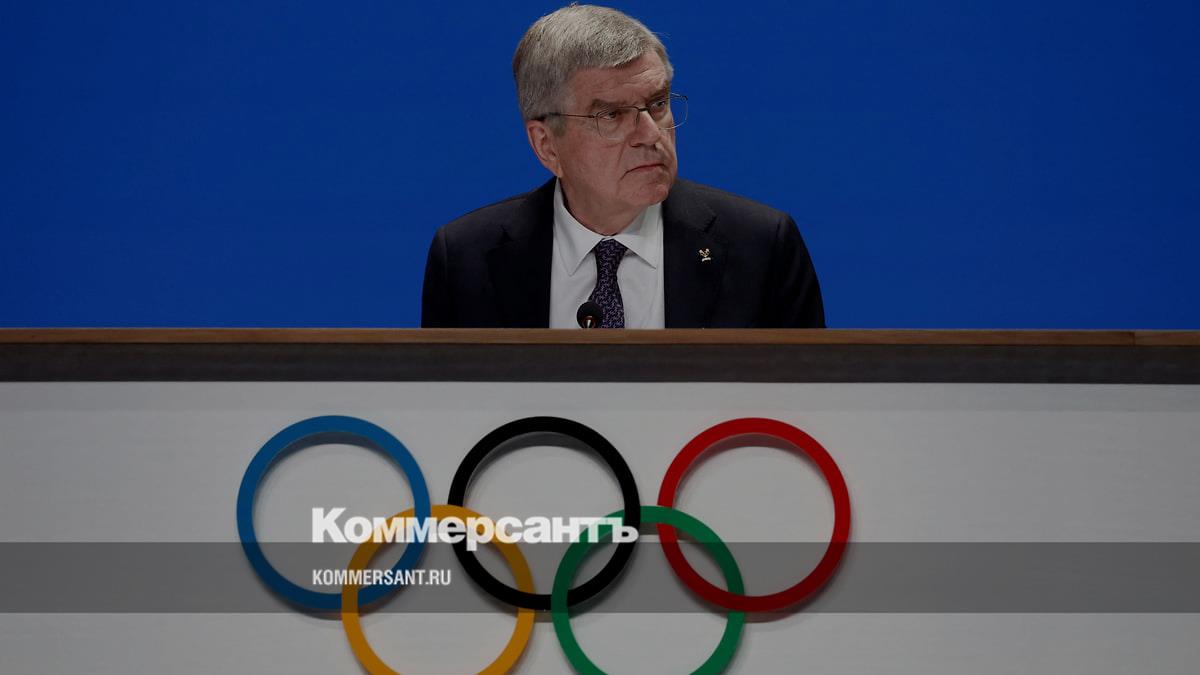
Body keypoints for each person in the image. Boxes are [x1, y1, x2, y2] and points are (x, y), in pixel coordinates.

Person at [421, 4, 824, 328]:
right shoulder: (466, 259)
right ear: (546, 145)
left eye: (657, 104)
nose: (651, 134)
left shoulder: (762, 247)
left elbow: (807, 401)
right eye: (611, 115)